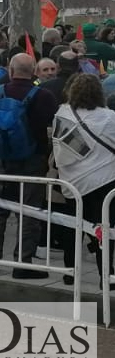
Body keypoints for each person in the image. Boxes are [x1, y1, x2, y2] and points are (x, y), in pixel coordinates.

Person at [0, 54, 59, 279]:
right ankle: (23, 263)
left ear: (10, 69)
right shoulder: (44, 95)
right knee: (28, 211)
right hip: (33, 159)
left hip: (3, 158)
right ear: (35, 71)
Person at [51, 74, 115, 282]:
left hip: (72, 181)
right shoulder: (109, 118)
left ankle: (71, 272)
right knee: (104, 229)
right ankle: (105, 274)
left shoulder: (62, 115)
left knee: (74, 227)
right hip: (104, 180)